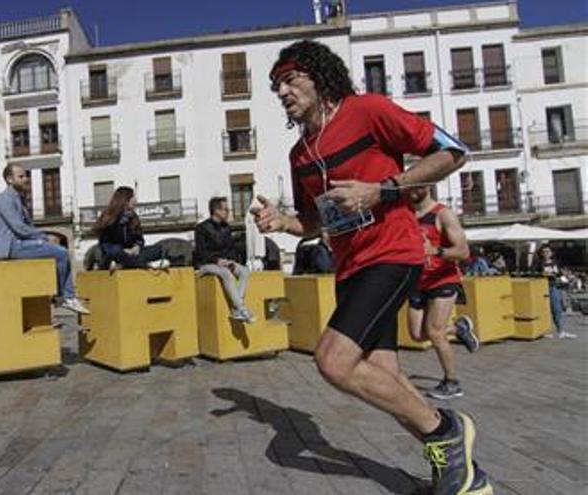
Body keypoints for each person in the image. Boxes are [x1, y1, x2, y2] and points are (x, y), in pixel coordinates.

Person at [251, 40, 491, 494]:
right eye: (275, 85)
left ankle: (447, 433)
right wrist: (280, 221)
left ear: (319, 77)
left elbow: (453, 152)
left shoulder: (368, 110)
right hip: (349, 267)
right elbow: (314, 220)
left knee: (333, 361)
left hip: (393, 253)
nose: (281, 91)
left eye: (289, 79)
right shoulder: (300, 154)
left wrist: (383, 189)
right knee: (387, 379)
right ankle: (464, 479)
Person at [407, 185, 480, 401]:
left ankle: (452, 382)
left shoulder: (443, 214)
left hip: (443, 279)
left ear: (428, 186)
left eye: (417, 185)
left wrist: (436, 250)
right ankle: (458, 328)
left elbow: (463, 251)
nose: (412, 190)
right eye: (409, 186)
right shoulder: (407, 216)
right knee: (418, 335)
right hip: (418, 282)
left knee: (435, 332)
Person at [0, 164, 89, 314]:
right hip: (11, 247)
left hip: (19, 244)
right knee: (61, 253)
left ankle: (58, 296)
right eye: (21, 176)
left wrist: (43, 239)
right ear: (9, 179)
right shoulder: (4, 199)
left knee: (55, 251)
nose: (26, 179)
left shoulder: (19, 199)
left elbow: (28, 226)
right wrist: (44, 237)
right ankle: (67, 297)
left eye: (26, 176)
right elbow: (19, 228)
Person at [194, 197, 253, 322]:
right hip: (205, 264)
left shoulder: (226, 228)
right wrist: (217, 260)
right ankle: (241, 308)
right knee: (226, 273)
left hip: (223, 262)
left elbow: (230, 248)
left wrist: (230, 261)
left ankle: (236, 308)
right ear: (216, 210)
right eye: (226, 209)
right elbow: (201, 252)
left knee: (244, 271)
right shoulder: (201, 228)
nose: (229, 211)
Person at [94, 186, 169, 270]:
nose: (136, 200)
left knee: (158, 250)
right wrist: (123, 251)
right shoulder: (108, 216)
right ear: (125, 200)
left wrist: (136, 247)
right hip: (114, 254)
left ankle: (124, 265)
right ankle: (147, 265)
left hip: (131, 254)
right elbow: (105, 244)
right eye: (133, 197)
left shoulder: (133, 217)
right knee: (116, 253)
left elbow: (139, 240)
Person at [533, 244, 576, 339]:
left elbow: (560, 275)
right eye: (543, 251)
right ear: (541, 253)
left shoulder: (556, 262)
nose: (546, 253)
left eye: (548, 251)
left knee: (557, 309)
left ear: (551, 252)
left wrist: (567, 281)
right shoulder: (539, 263)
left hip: (555, 287)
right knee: (544, 310)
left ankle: (561, 331)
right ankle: (545, 331)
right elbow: (534, 275)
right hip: (543, 288)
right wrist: (544, 274)